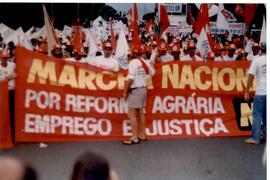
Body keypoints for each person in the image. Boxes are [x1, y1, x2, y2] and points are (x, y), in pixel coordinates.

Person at [122, 46, 155, 145]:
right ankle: (142, 135)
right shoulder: (145, 62)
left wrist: (125, 91)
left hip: (136, 90)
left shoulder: (133, 63)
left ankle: (134, 137)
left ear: (132, 53)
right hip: (143, 89)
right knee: (141, 113)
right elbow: (153, 73)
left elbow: (131, 78)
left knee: (131, 114)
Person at [244, 42, 266, 144]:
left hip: (261, 91)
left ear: (261, 49)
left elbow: (251, 76)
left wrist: (247, 91)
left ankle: (256, 138)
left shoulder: (257, 60)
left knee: (257, 115)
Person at [0, 51, 17, 142]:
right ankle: (7, 135)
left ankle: (15, 134)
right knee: (6, 114)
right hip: (3, 93)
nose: (5, 59)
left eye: (7, 57)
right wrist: (9, 77)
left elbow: (18, 74)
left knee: (14, 112)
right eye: (3, 58)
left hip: (13, 91)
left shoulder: (12, 65)